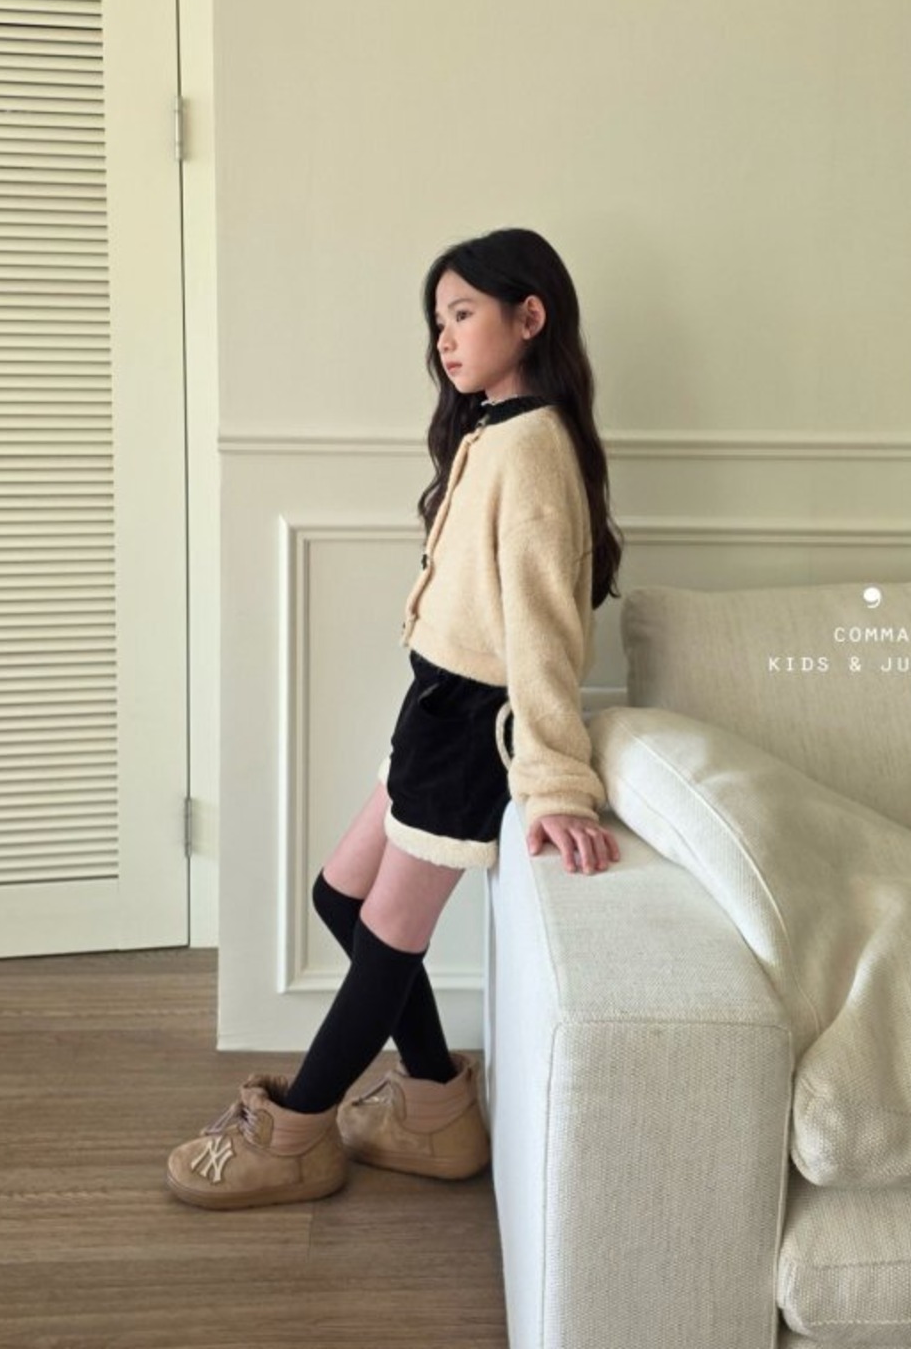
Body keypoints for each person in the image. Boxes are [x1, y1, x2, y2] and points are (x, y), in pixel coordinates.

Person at [166, 227, 624, 1210]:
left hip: (472, 728)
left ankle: (296, 1133)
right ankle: (435, 1111)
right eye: (436, 321)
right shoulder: (495, 430)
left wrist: (555, 782)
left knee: (385, 934)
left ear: (528, 316)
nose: (443, 339)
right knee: (340, 898)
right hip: (433, 707)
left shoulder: (533, 448)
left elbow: (545, 632)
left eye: (462, 314)